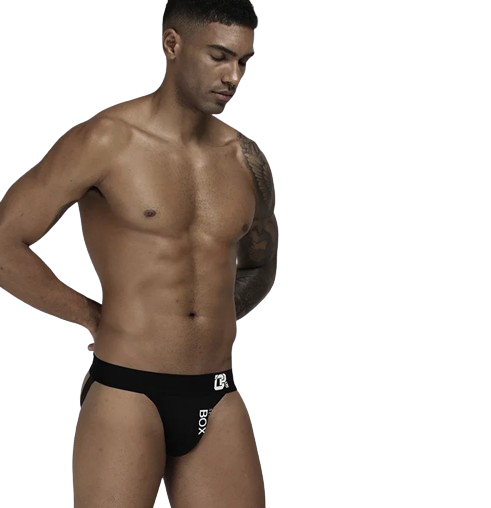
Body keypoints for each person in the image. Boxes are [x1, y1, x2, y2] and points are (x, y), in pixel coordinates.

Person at [0, 0, 277, 506]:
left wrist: (202, 320)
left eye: (244, 62)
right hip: (127, 390)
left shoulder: (245, 157)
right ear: (172, 44)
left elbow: (260, 263)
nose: (234, 77)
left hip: (218, 390)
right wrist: (88, 314)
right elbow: (3, 243)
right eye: (219, 57)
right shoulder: (107, 140)